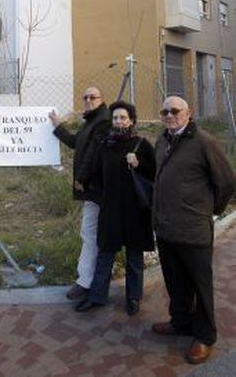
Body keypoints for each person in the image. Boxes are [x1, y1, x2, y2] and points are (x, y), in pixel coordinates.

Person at [151, 96, 235, 364]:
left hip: (193, 229)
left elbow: (226, 181)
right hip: (166, 228)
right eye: (164, 111)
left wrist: (210, 209)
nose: (169, 115)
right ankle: (180, 321)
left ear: (188, 113)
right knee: (175, 282)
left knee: (200, 285)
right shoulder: (162, 140)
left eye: (175, 110)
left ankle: (205, 336)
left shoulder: (203, 142)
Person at [75, 100, 155, 316]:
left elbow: (155, 174)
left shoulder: (142, 145)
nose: (119, 121)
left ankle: (133, 297)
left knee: (134, 256)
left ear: (132, 121)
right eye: (116, 118)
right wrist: (101, 198)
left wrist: (140, 164)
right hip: (110, 210)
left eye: (123, 117)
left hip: (135, 211)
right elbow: (95, 176)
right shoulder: (105, 146)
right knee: (105, 253)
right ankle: (97, 296)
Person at [49, 87, 110, 301]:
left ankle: (86, 282)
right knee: (93, 234)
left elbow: (94, 155)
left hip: (97, 189)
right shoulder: (91, 121)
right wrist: (58, 127)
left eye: (93, 96)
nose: (88, 100)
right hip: (93, 188)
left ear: (101, 99)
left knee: (90, 234)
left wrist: (81, 178)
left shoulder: (103, 121)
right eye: (85, 97)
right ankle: (92, 281)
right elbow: (77, 144)